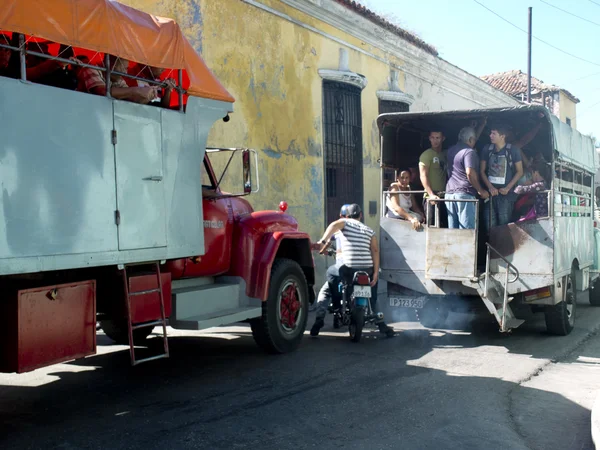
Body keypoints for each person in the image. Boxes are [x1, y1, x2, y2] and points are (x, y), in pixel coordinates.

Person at [312, 204, 394, 338]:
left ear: (345, 216)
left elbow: (333, 226)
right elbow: (375, 250)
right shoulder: (369, 230)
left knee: (330, 275)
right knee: (372, 291)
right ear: (360, 215)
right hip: (367, 269)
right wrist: (375, 273)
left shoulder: (344, 224)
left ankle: (336, 306)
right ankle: (380, 323)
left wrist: (322, 241)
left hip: (348, 268)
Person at [310, 205, 350, 335]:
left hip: (341, 269)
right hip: (357, 269)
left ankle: (319, 319)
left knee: (325, 293)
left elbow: (325, 244)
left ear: (341, 217)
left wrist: (323, 250)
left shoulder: (338, 231)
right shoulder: (361, 230)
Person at [480, 123, 524, 230]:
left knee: (504, 227)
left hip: (505, 196)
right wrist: (490, 187)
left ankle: (502, 247)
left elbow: (520, 172)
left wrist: (508, 188)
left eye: (494, 133)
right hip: (490, 195)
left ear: (502, 136)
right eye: (490, 133)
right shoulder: (487, 149)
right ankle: (490, 246)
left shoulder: (513, 150)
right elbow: (481, 171)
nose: (490, 135)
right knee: (489, 226)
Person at [445, 127, 489, 229]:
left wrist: (482, 125)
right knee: (467, 231)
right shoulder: (469, 152)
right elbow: (470, 173)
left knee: (453, 231)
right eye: (474, 140)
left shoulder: (451, 150)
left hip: (449, 194)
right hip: (464, 195)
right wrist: (480, 190)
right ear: (470, 140)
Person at [76, 54, 156, 104]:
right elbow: (103, 91)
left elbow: (130, 97)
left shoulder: (117, 79)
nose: (125, 72)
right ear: (111, 63)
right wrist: (135, 90)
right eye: (124, 68)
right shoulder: (90, 69)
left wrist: (146, 95)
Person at [419, 130, 447, 227]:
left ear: (443, 139)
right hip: (431, 196)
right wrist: (431, 194)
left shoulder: (445, 154)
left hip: (444, 196)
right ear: (429, 138)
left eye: (437, 138)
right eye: (432, 138)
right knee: (431, 227)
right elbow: (423, 175)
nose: (435, 140)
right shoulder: (426, 155)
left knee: (444, 226)